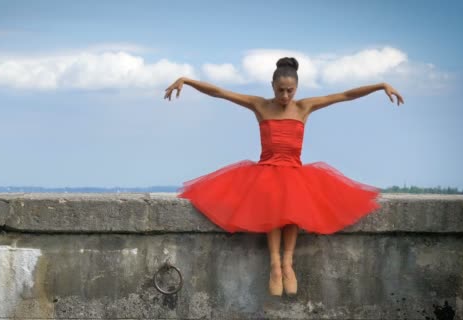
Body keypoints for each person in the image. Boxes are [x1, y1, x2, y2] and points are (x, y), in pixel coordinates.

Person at [163, 57, 404, 297]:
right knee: (274, 204)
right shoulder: (260, 105)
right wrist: (186, 80)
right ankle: (275, 266)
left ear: (297, 88)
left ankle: (288, 265)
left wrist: (380, 85)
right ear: (272, 86)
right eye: (281, 90)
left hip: (295, 172)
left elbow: (345, 95)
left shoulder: (303, 107)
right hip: (266, 171)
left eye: (290, 91)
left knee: (292, 209)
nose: (285, 96)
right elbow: (220, 92)